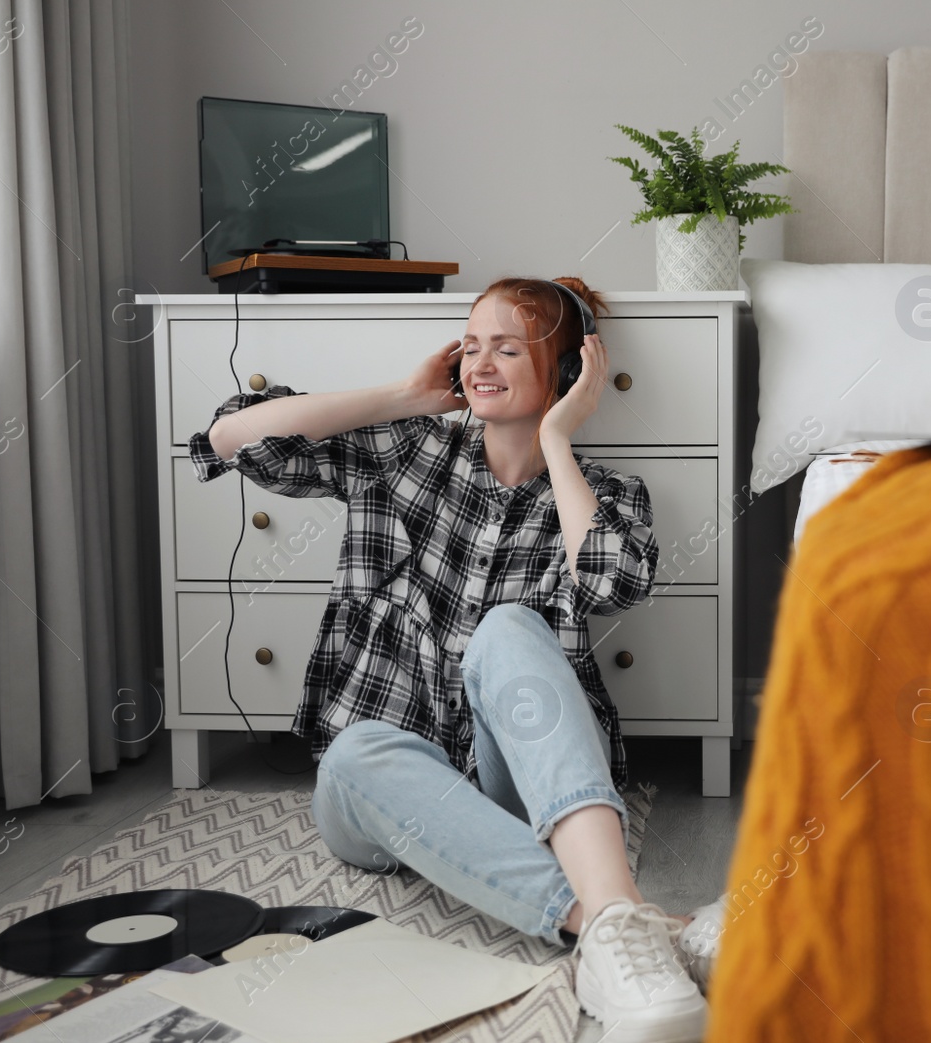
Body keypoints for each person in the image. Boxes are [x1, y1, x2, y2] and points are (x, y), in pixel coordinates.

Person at [188, 277, 716, 1042]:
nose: (481, 361)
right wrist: (404, 394)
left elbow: (611, 581)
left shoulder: (603, 493)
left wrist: (560, 441)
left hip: (516, 793)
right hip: (379, 794)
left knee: (508, 626)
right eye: (471, 345)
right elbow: (231, 437)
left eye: (508, 346)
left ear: (565, 372)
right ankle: (623, 921)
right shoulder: (402, 450)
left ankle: (608, 925)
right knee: (357, 748)